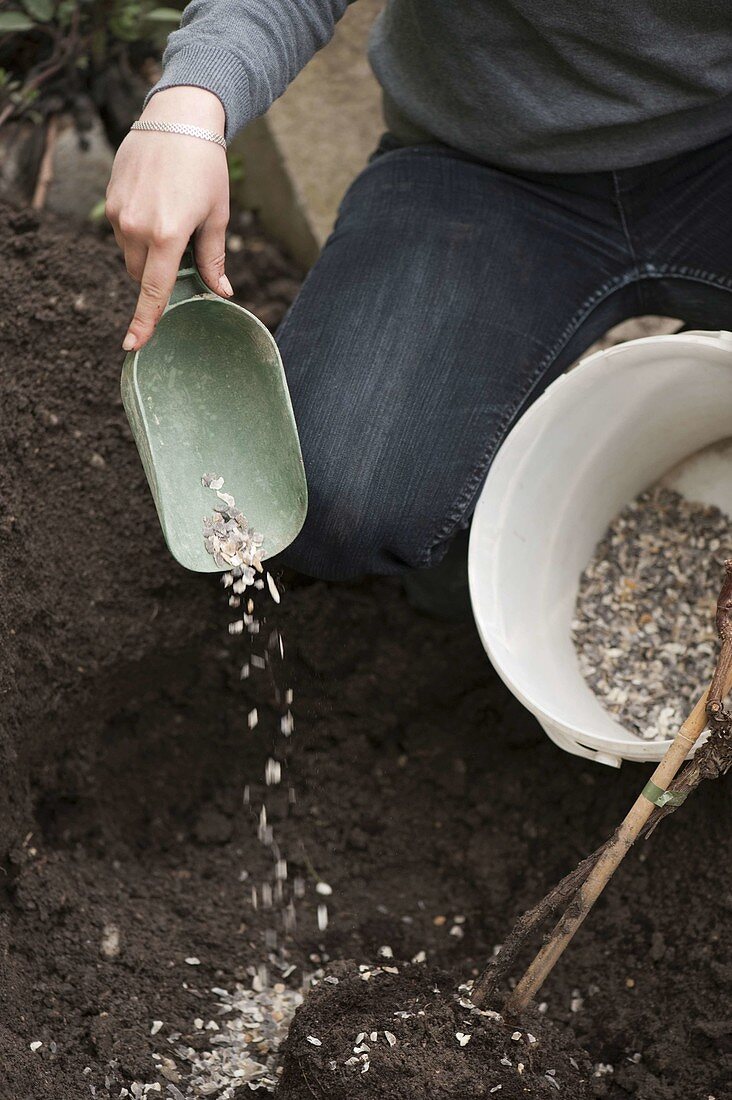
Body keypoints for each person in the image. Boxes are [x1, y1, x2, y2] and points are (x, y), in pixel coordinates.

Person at [106, 1, 732, 583]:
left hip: (714, 150)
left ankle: (677, 404)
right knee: (333, 500)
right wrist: (190, 103)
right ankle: (462, 580)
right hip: (482, 160)